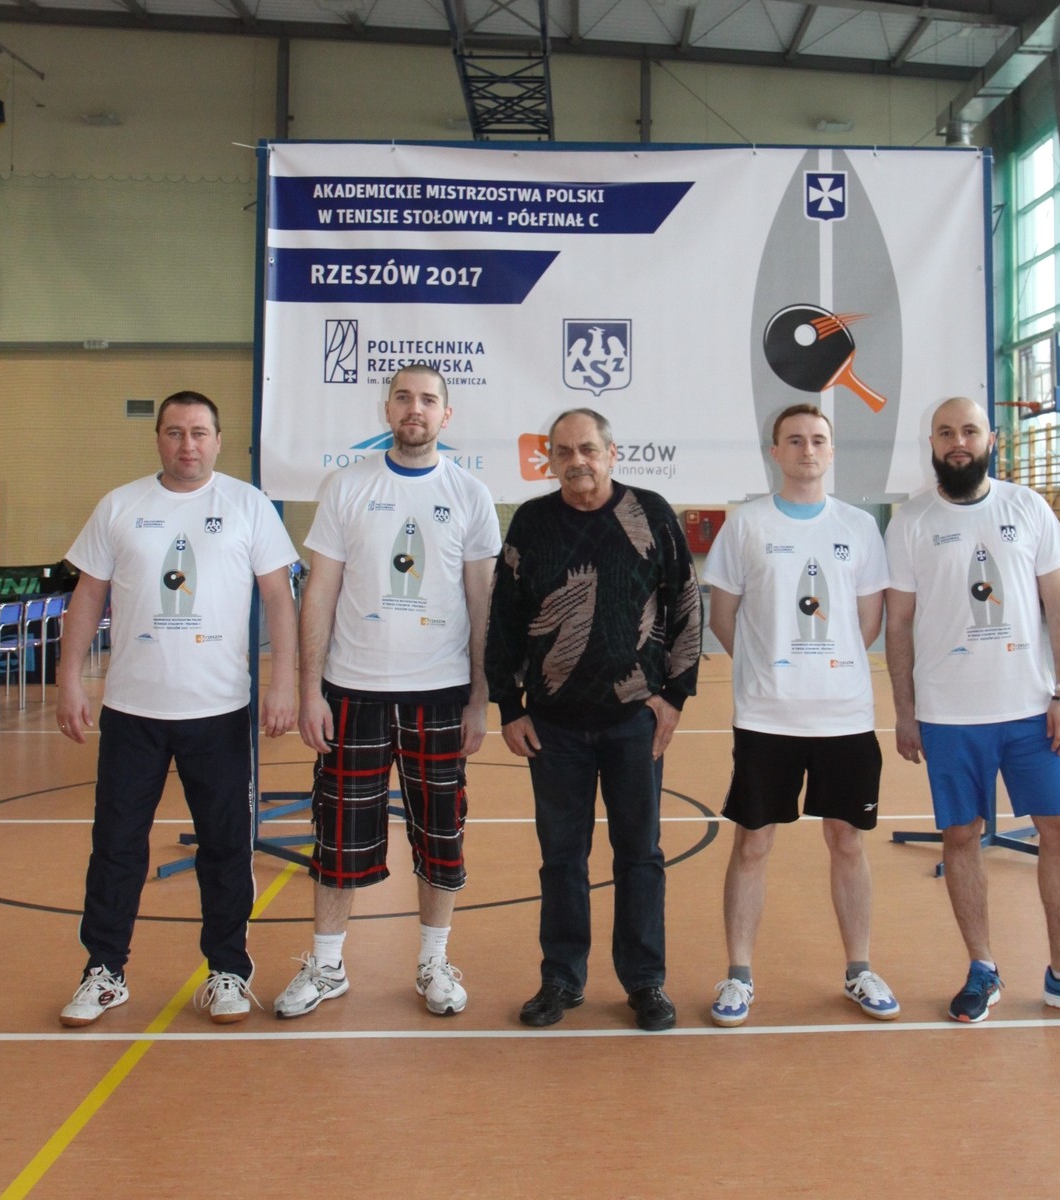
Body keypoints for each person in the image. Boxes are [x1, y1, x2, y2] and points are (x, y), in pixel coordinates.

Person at [883, 395, 1060, 1023]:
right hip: (948, 714)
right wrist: (905, 711)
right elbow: (898, 624)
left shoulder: (1027, 507)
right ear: (932, 443)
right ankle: (982, 968)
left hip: (1031, 711)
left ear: (990, 439)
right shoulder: (911, 520)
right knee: (960, 837)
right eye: (946, 432)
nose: (958, 442)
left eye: (969, 430)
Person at [55, 390, 298, 1027]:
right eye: (174, 432)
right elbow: (88, 597)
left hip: (219, 712)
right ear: (158, 438)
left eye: (199, 432)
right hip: (131, 711)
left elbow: (279, 599)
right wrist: (68, 679)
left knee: (225, 845)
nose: (187, 444)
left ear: (218, 440)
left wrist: (285, 683)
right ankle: (104, 971)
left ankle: (228, 971)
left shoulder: (248, 505)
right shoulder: (120, 505)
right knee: (115, 845)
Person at [273, 363, 499, 1020]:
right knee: (339, 837)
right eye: (403, 397)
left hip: (441, 694)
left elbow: (482, 601)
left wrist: (479, 698)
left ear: (446, 415)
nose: (414, 409)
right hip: (353, 692)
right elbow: (319, 592)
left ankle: (433, 962)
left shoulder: (470, 494)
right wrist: (310, 690)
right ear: (387, 408)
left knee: (440, 835)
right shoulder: (347, 486)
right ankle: (328, 964)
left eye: (428, 400)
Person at [485, 408, 702, 1031]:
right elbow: (504, 617)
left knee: (640, 854)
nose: (576, 461)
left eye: (587, 449)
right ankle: (562, 978)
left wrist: (674, 696)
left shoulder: (650, 513)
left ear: (611, 453)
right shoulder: (532, 522)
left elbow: (687, 603)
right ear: (550, 460)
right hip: (553, 725)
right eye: (563, 451)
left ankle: (645, 981)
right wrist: (509, 706)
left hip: (634, 720)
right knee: (561, 857)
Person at [702, 403, 899, 1027]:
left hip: (845, 717)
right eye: (794, 440)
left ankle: (860, 968)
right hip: (767, 717)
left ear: (830, 451)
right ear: (775, 451)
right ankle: (738, 975)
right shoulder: (746, 525)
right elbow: (723, 616)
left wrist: (827, 666)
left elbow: (868, 621)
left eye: (817, 440)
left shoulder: (859, 527)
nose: (807, 450)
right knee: (753, 842)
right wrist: (767, 669)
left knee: (847, 841)